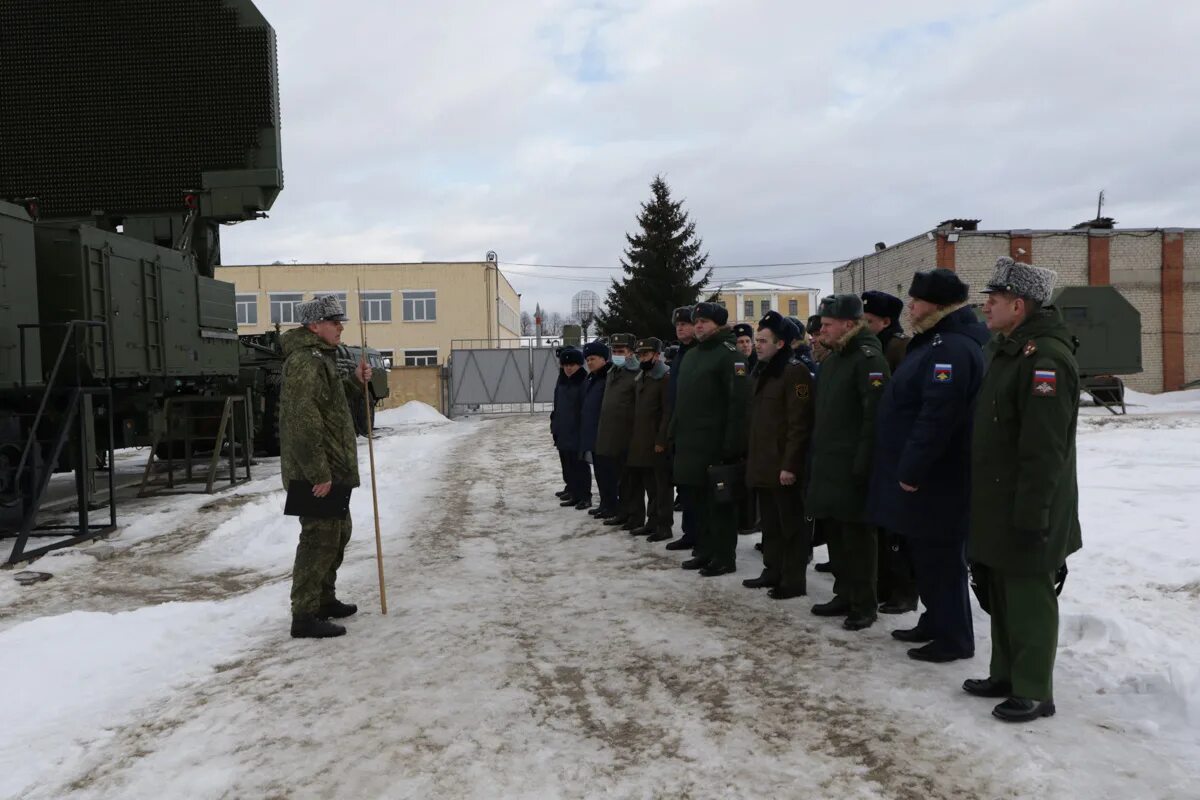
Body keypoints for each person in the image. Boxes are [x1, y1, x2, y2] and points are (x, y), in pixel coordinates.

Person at [965, 257, 1082, 723]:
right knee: (1000, 585)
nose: (984, 308)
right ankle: (1005, 673)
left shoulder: (1046, 359)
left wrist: (1034, 515)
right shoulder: (1007, 349)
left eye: (991, 302)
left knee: (1029, 592)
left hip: (1030, 500)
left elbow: (1044, 449)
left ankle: (1034, 689)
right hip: (998, 495)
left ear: (1018, 305)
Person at [867, 269, 988, 663]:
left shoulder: (949, 348)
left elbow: (938, 417)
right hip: (924, 476)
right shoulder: (933, 342)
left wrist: (912, 469)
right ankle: (935, 620)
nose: (911, 307)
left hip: (939, 477)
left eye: (917, 301)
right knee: (924, 553)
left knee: (941, 557)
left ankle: (954, 636)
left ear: (937, 305)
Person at [279, 294, 370, 639]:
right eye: (334, 322)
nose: (340, 327)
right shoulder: (306, 362)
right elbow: (302, 422)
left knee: (338, 533)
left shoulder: (322, 359)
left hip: (331, 468)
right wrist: (319, 473)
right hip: (316, 472)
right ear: (314, 326)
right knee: (318, 539)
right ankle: (303, 615)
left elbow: (329, 404)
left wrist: (355, 382)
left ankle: (324, 598)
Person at [805, 294, 890, 631]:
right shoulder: (834, 359)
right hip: (830, 465)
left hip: (854, 467)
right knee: (837, 535)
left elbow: (875, 418)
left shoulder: (867, 360)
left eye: (827, 325)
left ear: (849, 325)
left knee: (858, 539)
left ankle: (864, 603)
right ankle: (843, 593)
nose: (821, 330)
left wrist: (864, 463)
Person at [670, 301, 750, 577]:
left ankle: (724, 555)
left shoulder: (730, 356)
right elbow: (682, 401)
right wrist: (673, 432)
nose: (699, 325)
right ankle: (704, 550)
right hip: (691, 444)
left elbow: (738, 405)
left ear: (719, 324)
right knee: (697, 503)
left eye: (705, 321)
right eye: (697, 321)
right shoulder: (692, 356)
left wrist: (731, 446)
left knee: (720, 506)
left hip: (716, 445)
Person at [742, 312, 815, 599]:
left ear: (781, 343)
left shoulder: (795, 372)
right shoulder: (763, 370)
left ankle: (793, 580)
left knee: (791, 527)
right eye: (757, 340)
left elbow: (800, 423)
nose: (757, 345)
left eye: (763, 341)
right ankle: (772, 570)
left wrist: (791, 465)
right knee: (770, 525)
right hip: (764, 463)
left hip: (784, 467)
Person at [862, 289, 918, 615]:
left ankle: (905, 590)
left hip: (897, 449)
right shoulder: (877, 347)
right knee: (882, 525)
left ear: (885, 321)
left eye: (868, 321)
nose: (863, 325)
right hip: (881, 449)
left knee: (897, 528)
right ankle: (886, 583)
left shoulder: (899, 348)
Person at [626, 337, 673, 542]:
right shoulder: (643, 375)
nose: (642, 358)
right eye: (640, 355)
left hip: (657, 441)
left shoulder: (664, 377)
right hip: (642, 440)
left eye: (646, 354)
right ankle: (651, 522)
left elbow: (667, 412)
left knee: (661, 487)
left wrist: (661, 440)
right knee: (649, 485)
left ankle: (664, 525)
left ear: (656, 355)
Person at [595, 333, 640, 529]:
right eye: (614, 351)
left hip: (628, 435)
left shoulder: (636, 374)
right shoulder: (613, 371)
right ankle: (623, 512)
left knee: (632, 482)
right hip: (612, 434)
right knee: (619, 479)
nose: (617, 354)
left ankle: (635, 516)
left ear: (631, 353)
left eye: (621, 351)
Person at [665, 306, 700, 553]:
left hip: (696, 431)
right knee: (685, 487)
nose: (680, 328)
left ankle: (698, 534)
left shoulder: (699, 352)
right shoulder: (682, 354)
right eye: (678, 325)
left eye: (686, 323)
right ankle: (690, 533)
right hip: (680, 429)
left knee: (696, 489)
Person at [551, 347, 591, 509]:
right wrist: (555, 427)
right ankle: (574, 492)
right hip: (563, 430)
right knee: (568, 464)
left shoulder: (583, 382)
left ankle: (584, 496)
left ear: (580, 365)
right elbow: (558, 406)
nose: (568, 368)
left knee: (579, 466)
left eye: (572, 365)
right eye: (565, 365)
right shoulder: (563, 381)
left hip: (577, 431)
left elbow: (584, 409)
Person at [732, 322, 760, 536]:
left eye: (747, 341)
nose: (744, 345)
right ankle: (744, 519)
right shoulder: (734, 363)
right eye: (740, 342)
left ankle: (753, 519)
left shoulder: (759, 364)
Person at [579, 340, 611, 513]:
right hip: (593, 434)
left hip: (605, 433)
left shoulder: (608, 378)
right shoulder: (592, 378)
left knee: (608, 473)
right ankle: (605, 504)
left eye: (593, 358)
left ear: (604, 359)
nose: (589, 362)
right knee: (599, 471)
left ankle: (611, 504)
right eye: (587, 359)